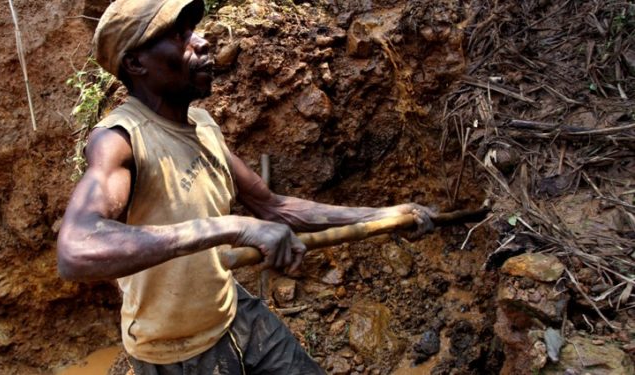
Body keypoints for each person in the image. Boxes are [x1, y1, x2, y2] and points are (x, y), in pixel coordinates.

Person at [56, 0, 435, 373]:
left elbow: (274, 208)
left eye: (193, 29)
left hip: (237, 315)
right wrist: (235, 226)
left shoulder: (203, 125)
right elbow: (77, 249)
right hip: (175, 354)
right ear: (136, 63)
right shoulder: (120, 140)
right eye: (179, 35)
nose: (201, 41)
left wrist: (388, 214)